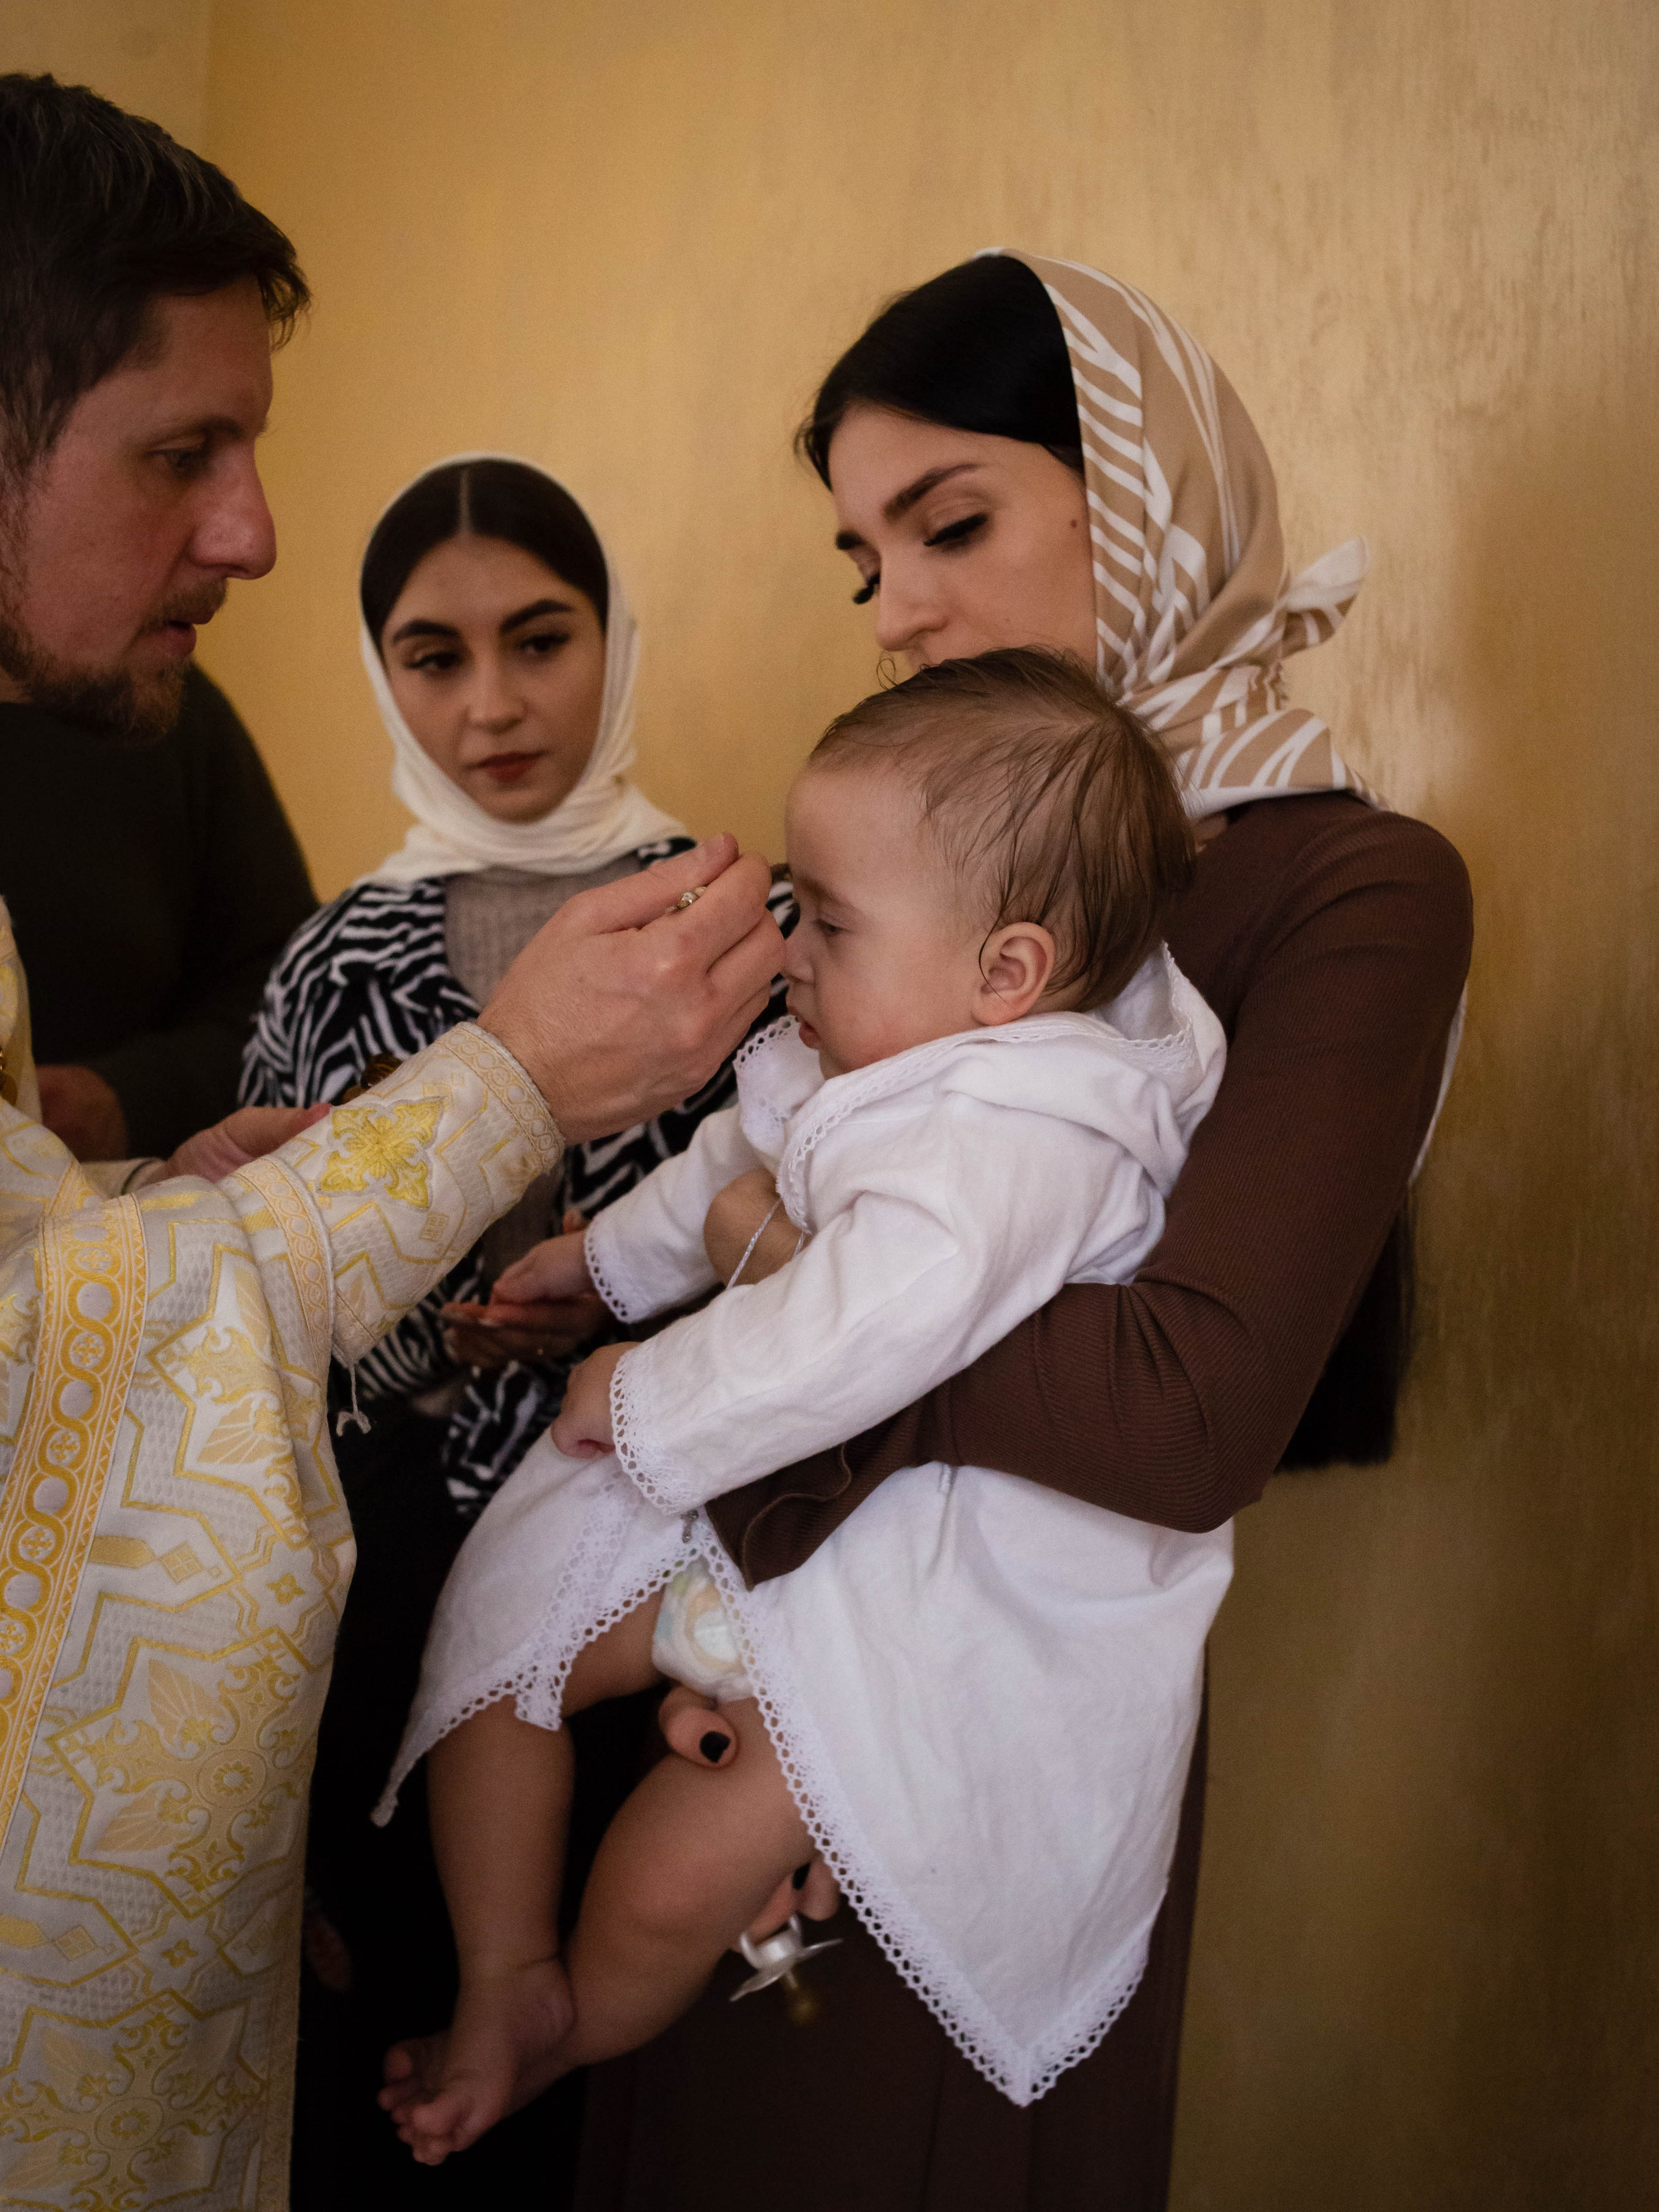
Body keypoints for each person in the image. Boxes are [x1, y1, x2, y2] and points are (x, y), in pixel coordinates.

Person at [570, 255, 1473, 2211]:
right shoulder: (917, 839)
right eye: (858, 557)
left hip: (1005, 1708)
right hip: (749, 1648)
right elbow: (771, 1176)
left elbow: (1176, 1410)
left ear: (1133, 508)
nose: (894, 608)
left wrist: (765, 1262)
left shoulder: (1347, 891)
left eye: (950, 524)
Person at [0, 72, 782, 2212]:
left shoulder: (756, 906)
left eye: (542, 635)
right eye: (184, 455)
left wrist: (150, 1190)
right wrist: (508, 1090)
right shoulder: (365, 947)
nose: (252, 529)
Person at [377, 645, 1232, 2164]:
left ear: (1007, 973)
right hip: (791, 1504)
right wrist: (593, 1264)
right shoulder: (871, 1046)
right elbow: (726, 1171)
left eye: (827, 924)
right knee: (501, 1642)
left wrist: (643, 1390)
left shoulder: (1025, 1132)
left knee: (681, 1865)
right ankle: (503, 1967)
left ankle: (573, 2013)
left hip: (927, 1579)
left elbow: (866, 1316)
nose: (789, 957)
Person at [238, 454, 792, 2195]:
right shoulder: (331, 964)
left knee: (666, 2089)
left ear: (615, 640)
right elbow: (261, 1311)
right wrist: (448, 1342)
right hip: (395, 1579)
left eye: (541, 640)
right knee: (419, 2069)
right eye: (433, 655)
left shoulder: (743, 925)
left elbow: (829, 1219)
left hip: (682, 1563)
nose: (490, 705)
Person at [0, 661, 315, 1159]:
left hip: (125, 1215)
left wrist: (128, 1100)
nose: (248, 576)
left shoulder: (150, 696)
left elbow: (294, 991)